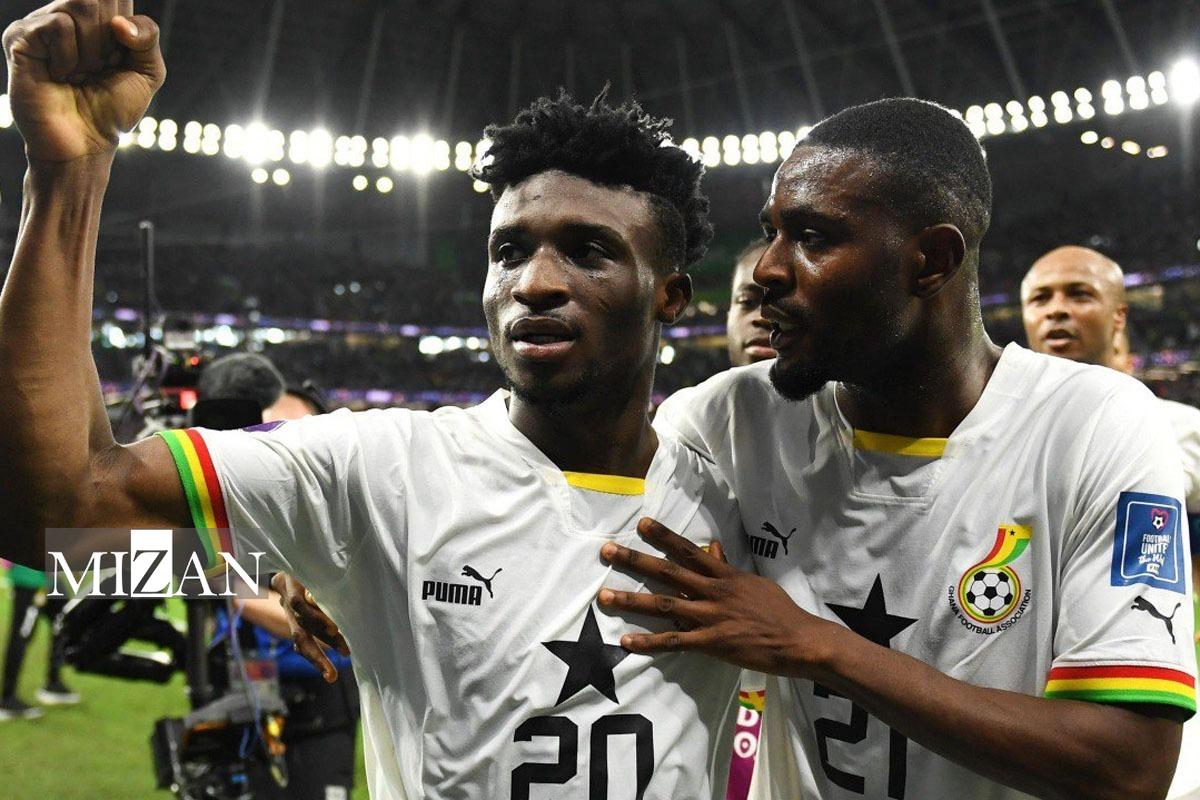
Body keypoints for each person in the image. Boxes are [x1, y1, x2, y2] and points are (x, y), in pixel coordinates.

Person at [0, 6, 749, 799]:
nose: (533, 282)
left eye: (588, 252)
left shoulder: (743, 492)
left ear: (670, 296)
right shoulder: (383, 470)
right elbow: (58, 517)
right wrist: (69, 174)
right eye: (508, 251)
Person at [592, 98, 1196, 799]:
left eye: (813, 237)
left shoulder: (1096, 424)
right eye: (771, 233)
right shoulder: (726, 423)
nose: (767, 271)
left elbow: (1130, 766)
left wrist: (818, 646)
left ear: (932, 261)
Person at [1020, 246, 1200, 619]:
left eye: (1079, 294)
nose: (1056, 309)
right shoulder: (995, 433)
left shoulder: (1183, 428)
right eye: (1040, 298)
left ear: (1119, 316)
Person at [0, 561, 78, 720]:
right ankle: (7, 699)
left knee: (65, 619)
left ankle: (53, 683)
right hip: (29, 576)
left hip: (46, 576)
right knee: (22, 633)